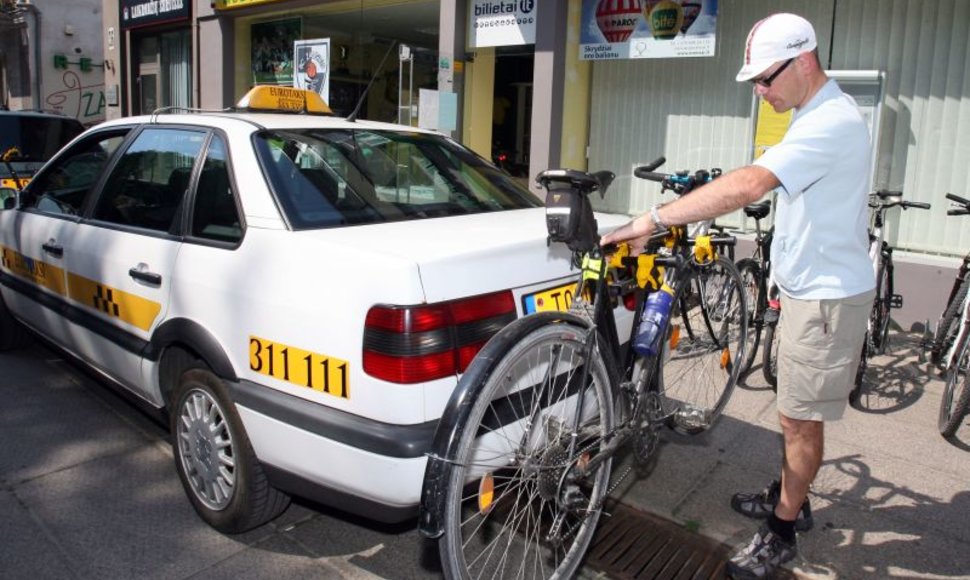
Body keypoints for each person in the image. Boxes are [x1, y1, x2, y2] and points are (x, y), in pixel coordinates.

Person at [601, 12, 875, 579]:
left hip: (824, 302)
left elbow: (751, 183)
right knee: (792, 413)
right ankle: (787, 495)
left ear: (803, 62)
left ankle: (781, 531)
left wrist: (648, 219)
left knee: (800, 421)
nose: (760, 91)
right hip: (805, 290)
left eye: (765, 79)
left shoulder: (833, 122)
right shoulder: (811, 112)